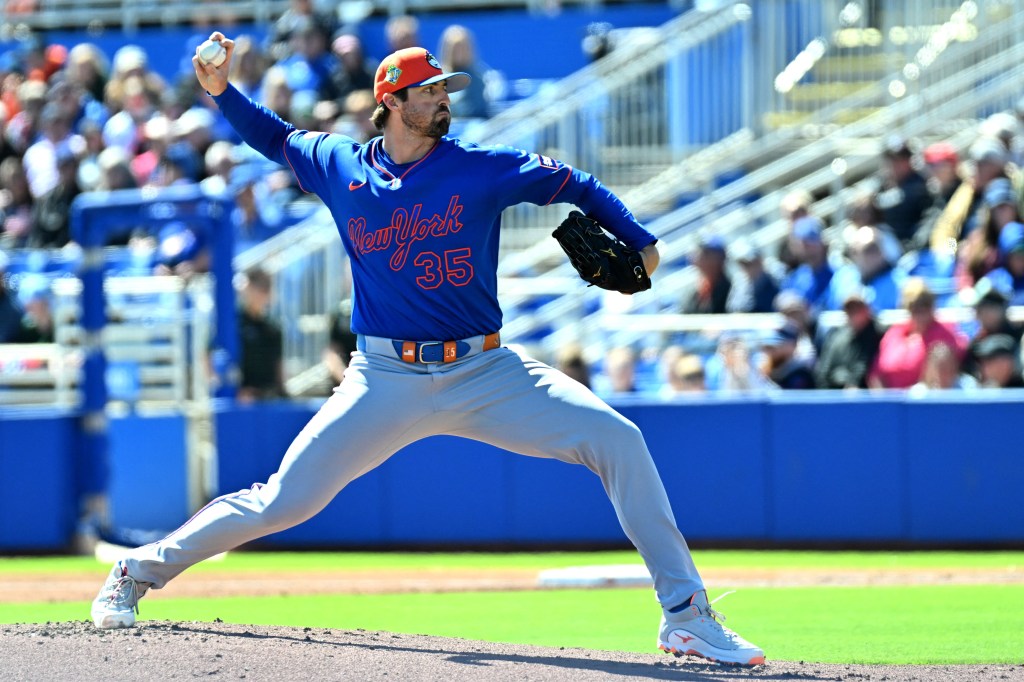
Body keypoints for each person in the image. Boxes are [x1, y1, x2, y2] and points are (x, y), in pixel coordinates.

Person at [90, 34, 764, 666]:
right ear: (392, 102)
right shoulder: (341, 167)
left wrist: (639, 238)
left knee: (618, 440)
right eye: (430, 90)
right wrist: (220, 91)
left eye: (446, 89)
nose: (444, 98)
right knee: (283, 501)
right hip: (383, 377)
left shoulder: (480, 170)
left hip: (485, 369)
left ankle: (686, 614)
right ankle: (137, 569)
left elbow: (576, 184)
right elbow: (275, 138)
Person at [868, 278, 966, 389]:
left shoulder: (945, 334)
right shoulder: (894, 333)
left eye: (925, 305)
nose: (920, 312)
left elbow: (945, 375)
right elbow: (876, 374)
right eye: (914, 306)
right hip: (889, 401)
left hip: (924, 400)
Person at [814, 290, 883, 389]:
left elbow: (863, 367)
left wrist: (851, 383)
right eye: (849, 309)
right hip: (833, 394)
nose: (853, 314)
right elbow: (823, 370)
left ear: (867, 310)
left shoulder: (878, 335)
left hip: (863, 397)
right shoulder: (837, 337)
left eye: (858, 308)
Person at [235, 267, 285, 402]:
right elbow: (208, 355)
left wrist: (281, 393)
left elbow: (278, 366)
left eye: (266, 289)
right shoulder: (233, 324)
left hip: (268, 397)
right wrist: (234, 391)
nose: (263, 294)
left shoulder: (272, 326)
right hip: (241, 399)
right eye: (260, 288)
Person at [875, 136, 932, 248]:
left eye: (902, 159)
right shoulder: (882, 184)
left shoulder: (921, 183)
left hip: (916, 247)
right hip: (887, 247)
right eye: (891, 160)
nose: (895, 165)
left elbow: (905, 198)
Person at [680, 235, 731, 314]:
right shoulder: (692, 292)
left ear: (722, 257)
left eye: (707, 253)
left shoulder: (732, 288)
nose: (700, 257)